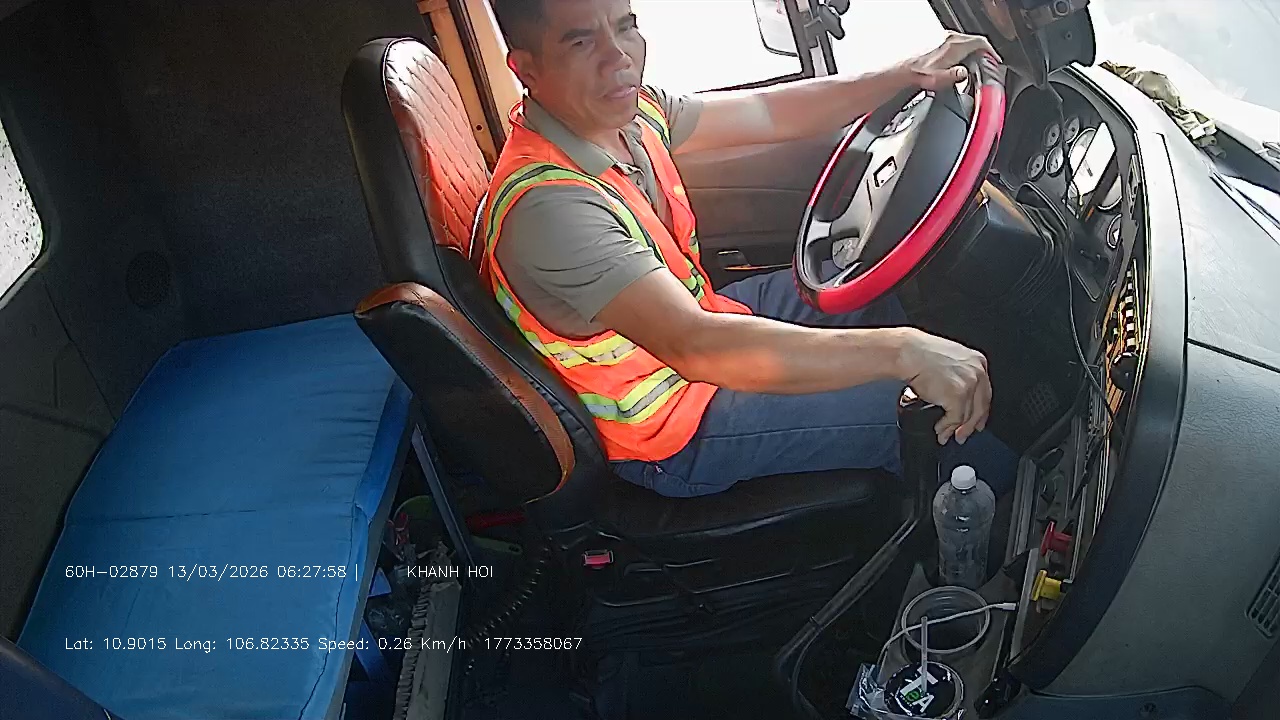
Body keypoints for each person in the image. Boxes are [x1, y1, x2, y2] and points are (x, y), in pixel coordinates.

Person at [480, 0, 1018, 498]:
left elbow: (768, 112)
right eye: (580, 42)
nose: (618, 57)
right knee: (934, 420)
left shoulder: (631, 116)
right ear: (526, 70)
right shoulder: (549, 207)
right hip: (671, 427)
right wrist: (904, 352)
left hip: (703, 328)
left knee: (869, 286)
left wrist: (905, 74)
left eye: (625, 26)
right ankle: (1018, 539)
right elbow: (697, 346)